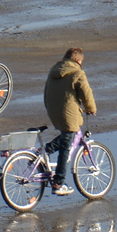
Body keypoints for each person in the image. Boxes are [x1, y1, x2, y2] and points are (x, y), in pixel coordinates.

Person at [42, 48, 96, 198]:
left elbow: (46, 92)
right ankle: (58, 183)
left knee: (67, 136)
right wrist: (91, 108)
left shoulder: (54, 71)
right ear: (78, 61)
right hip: (68, 113)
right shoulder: (78, 73)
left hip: (53, 110)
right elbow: (86, 92)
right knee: (66, 146)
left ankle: (45, 151)